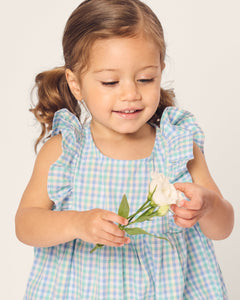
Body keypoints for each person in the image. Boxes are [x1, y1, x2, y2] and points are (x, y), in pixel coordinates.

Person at [15, 0, 234, 299]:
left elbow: (223, 229)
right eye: (110, 81)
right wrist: (76, 223)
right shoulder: (66, 150)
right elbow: (26, 224)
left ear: (160, 71)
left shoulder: (178, 146)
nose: (130, 93)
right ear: (76, 84)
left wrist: (208, 206)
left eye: (146, 79)